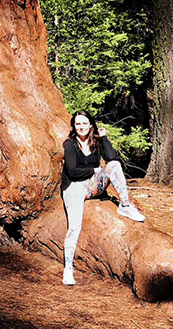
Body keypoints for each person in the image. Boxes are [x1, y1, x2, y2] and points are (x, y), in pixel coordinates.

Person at [61, 110, 145, 285]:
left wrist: (104, 138)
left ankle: (125, 205)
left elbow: (112, 158)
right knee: (74, 227)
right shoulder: (70, 144)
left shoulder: (96, 142)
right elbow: (72, 171)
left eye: (84, 123)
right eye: (78, 124)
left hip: (92, 185)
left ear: (91, 125)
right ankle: (68, 269)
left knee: (114, 165)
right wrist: (95, 170)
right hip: (74, 188)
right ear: (74, 126)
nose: (81, 127)